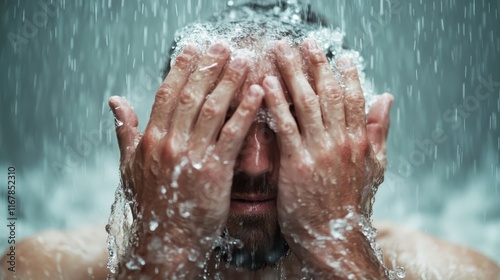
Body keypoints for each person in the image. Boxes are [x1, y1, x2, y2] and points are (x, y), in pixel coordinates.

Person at [2, 2, 500, 279]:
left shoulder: (455, 273)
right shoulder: (38, 268)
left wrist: (338, 245)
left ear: (361, 148)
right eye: (225, 125)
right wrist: (165, 249)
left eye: (290, 125)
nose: (256, 164)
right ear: (162, 138)